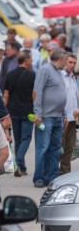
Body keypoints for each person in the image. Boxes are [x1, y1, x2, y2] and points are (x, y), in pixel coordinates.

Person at [33, 48, 69, 188]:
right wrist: (38, 113)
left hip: (57, 116)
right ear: (60, 59)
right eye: (65, 60)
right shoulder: (45, 70)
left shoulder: (58, 72)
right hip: (46, 117)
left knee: (55, 148)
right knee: (43, 148)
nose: (66, 63)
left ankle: (51, 177)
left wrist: (64, 114)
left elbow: (61, 95)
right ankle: (39, 177)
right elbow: (38, 91)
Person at [2, 50, 36, 177]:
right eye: (31, 59)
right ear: (26, 60)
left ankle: (20, 167)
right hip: (27, 111)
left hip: (13, 111)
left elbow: (6, 95)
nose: (32, 61)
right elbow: (34, 95)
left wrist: (3, 112)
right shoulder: (32, 75)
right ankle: (19, 160)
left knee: (18, 139)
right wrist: (37, 110)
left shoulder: (10, 75)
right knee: (26, 138)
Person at [59, 54, 79, 175]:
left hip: (73, 118)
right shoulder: (60, 76)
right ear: (64, 62)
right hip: (62, 117)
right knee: (59, 146)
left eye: (74, 63)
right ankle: (53, 171)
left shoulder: (73, 77)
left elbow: (74, 97)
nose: (72, 65)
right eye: (70, 62)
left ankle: (65, 172)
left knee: (69, 148)